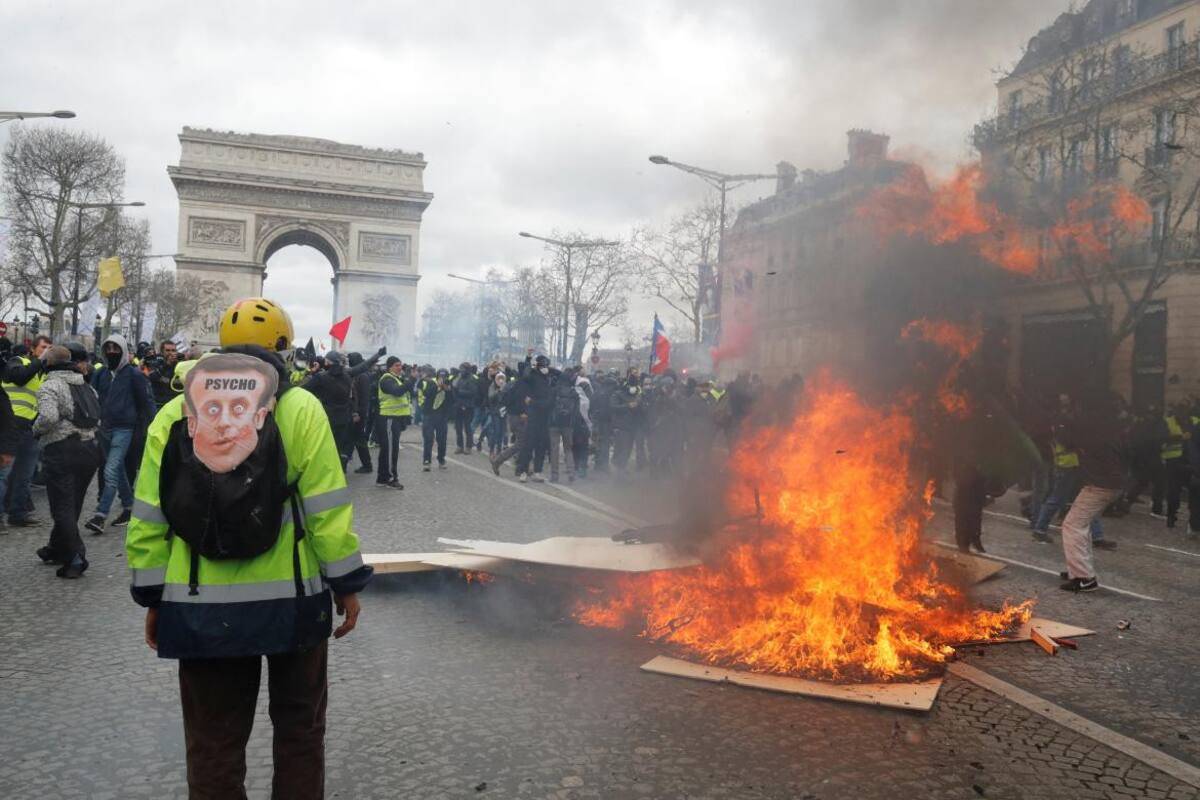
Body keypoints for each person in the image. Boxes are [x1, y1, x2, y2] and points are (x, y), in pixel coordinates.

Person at [125, 296, 372, 799]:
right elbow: (326, 508)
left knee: (214, 744)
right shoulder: (302, 407)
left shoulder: (177, 409)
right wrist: (346, 583)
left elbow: (149, 515)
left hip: (197, 605)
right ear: (284, 346)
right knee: (300, 734)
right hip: (293, 603)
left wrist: (153, 598)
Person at [32, 345, 101, 577]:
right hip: (90, 451)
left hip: (62, 451)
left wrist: (36, 429)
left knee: (62, 507)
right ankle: (56, 548)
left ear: (48, 364)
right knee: (73, 505)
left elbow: (48, 417)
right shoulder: (85, 385)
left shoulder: (50, 385)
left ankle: (75, 557)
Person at [85, 334, 153, 535]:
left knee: (111, 469)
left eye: (116, 348)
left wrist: (153, 428)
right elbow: (93, 397)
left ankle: (100, 515)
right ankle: (129, 507)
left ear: (123, 350)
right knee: (119, 470)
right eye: (108, 348)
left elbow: (147, 403)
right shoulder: (100, 374)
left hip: (125, 428)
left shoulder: (135, 375)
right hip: (103, 428)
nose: (112, 352)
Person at [1057, 392, 1126, 592]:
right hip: (1108, 484)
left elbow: (1066, 440)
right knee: (1080, 524)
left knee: (1072, 525)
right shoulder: (1110, 425)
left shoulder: (1091, 427)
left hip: (1100, 485)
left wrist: (1063, 420)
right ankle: (1078, 569)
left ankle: (1083, 577)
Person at [0, 335, 51, 528]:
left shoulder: (42, 373)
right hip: (9, 424)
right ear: (33, 349)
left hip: (29, 428)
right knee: (5, 473)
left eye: (49, 348)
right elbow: (19, 377)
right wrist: (41, 360)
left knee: (25, 474)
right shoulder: (18, 361)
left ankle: (18, 513)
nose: (46, 350)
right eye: (43, 347)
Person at [516, 354, 555, 482]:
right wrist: (528, 358)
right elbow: (524, 373)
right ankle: (523, 471)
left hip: (544, 418)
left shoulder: (550, 379)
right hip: (533, 417)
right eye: (543, 366)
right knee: (528, 445)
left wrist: (533, 402)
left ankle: (537, 471)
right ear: (538, 366)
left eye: (547, 366)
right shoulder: (532, 376)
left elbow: (549, 402)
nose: (546, 368)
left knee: (541, 446)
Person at [376, 356, 412, 487]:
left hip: (394, 418)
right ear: (390, 366)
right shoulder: (386, 379)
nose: (400, 367)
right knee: (391, 450)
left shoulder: (396, 378)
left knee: (387, 449)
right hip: (389, 418)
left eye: (400, 365)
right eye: (397, 365)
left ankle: (382, 478)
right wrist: (410, 380)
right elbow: (397, 392)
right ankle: (390, 478)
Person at [547, 369, 579, 483]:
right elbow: (576, 411)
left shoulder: (555, 390)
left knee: (554, 450)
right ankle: (571, 473)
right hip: (568, 425)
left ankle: (554, 475)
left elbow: (549, 406)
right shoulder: (574, 393)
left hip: (554, 424)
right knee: (568, 449)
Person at [421, 368, 452, 471]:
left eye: (444, 377)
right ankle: (426, 461)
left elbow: (453, 400)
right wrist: (437, 387)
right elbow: (426, 394)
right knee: (428, 439)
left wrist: (447, 389)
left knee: (442, 440)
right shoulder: (431, 383)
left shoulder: (449, 385)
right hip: (429, 415)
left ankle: (441, 459)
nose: (442, 379)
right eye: (440, 377)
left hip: (442, 417)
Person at [452, 362, 479, 454]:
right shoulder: (459, 378)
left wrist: (459, 392)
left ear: (467, 370)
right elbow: (453, 387)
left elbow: (473, 392)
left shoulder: (472, 379)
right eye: (461, 369)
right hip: (458, 405)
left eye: (463, 369)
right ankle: (460, 446)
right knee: (458, 427)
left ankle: (468, 446)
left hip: (468, 406)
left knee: (467, 427)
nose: (461, 371)